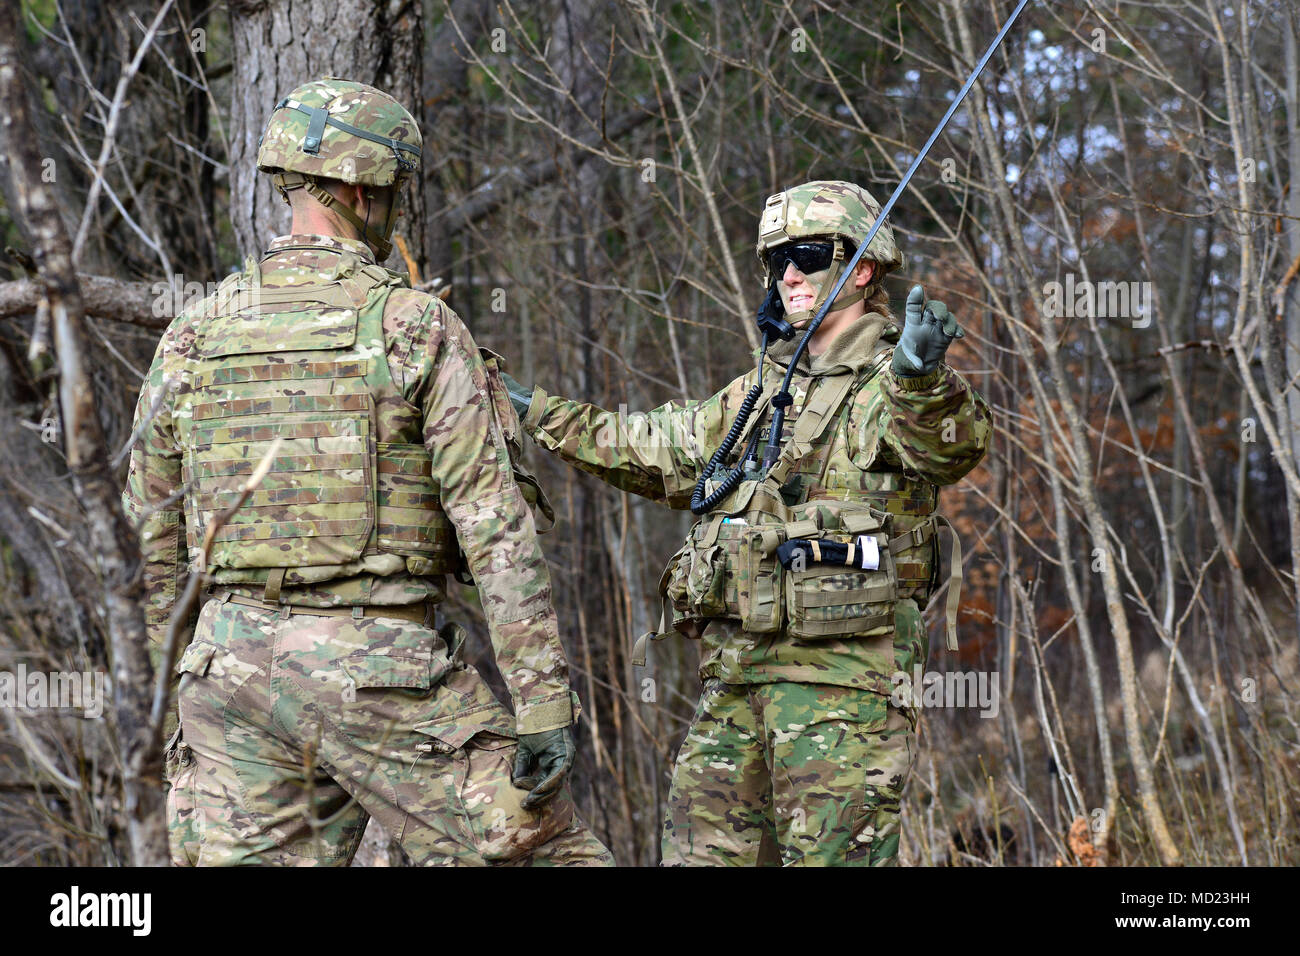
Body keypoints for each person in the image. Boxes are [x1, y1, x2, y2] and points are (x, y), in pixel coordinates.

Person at [123, 77, 612, 866]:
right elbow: (495, 531)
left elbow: (151, 540)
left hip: (228, 672)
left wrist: (170, 695)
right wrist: (544, 700)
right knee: (552, 856)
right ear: (360, 190)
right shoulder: (413, 324)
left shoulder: (195, 331)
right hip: (378, 671)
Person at [503, 181, 991, 866]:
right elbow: (655, 448)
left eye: (811, 254)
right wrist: (535, 413)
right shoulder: (761, 391)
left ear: (864, 268)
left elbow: (950, 447)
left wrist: (920, 377)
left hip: (839, 694)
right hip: (735, 683)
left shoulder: (889, 381)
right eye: (778, 259)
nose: (789, 272)